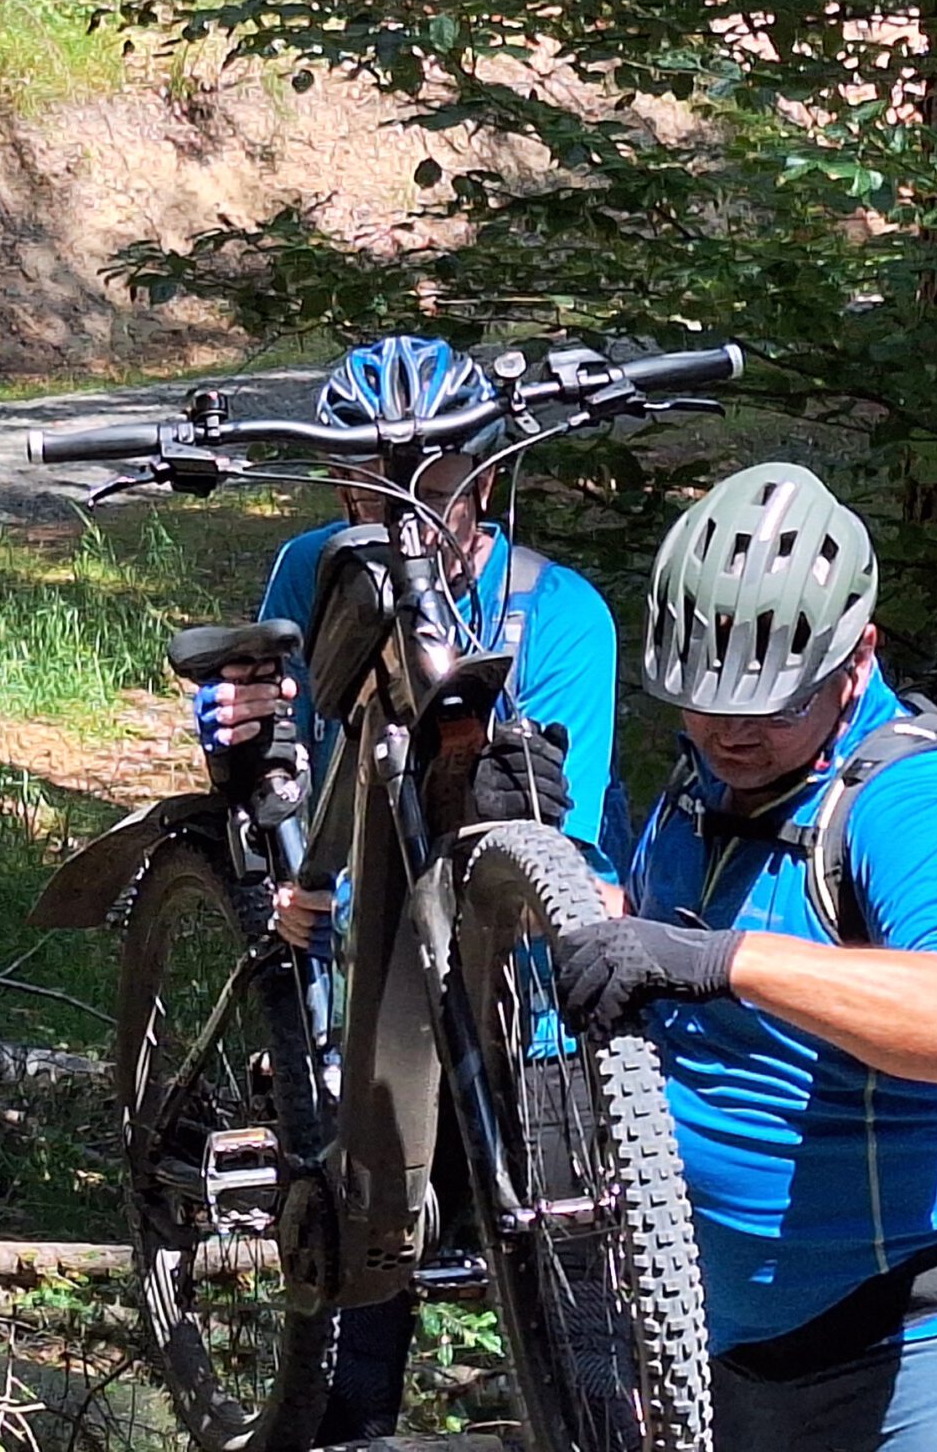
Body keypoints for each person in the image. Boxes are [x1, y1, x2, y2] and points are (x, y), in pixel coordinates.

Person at [555, 462, 937, 1452]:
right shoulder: (704, 789)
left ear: (856, 660)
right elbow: (656, 941)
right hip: (748, 1351)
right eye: (702, 700)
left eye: (767, 705)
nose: (728, 730)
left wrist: (728, 958)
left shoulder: (911, 803)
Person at [193, 335, 623, 1446]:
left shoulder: (557, 613)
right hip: (363, 990)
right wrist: (264, 811)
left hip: (523, 1013)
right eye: (361, 481)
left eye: (427, 481)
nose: (389, 508)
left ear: (481, 474)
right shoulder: (314, 570)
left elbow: (561, 846)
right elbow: (300, 761)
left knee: (577, 1330)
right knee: (353, 1328)